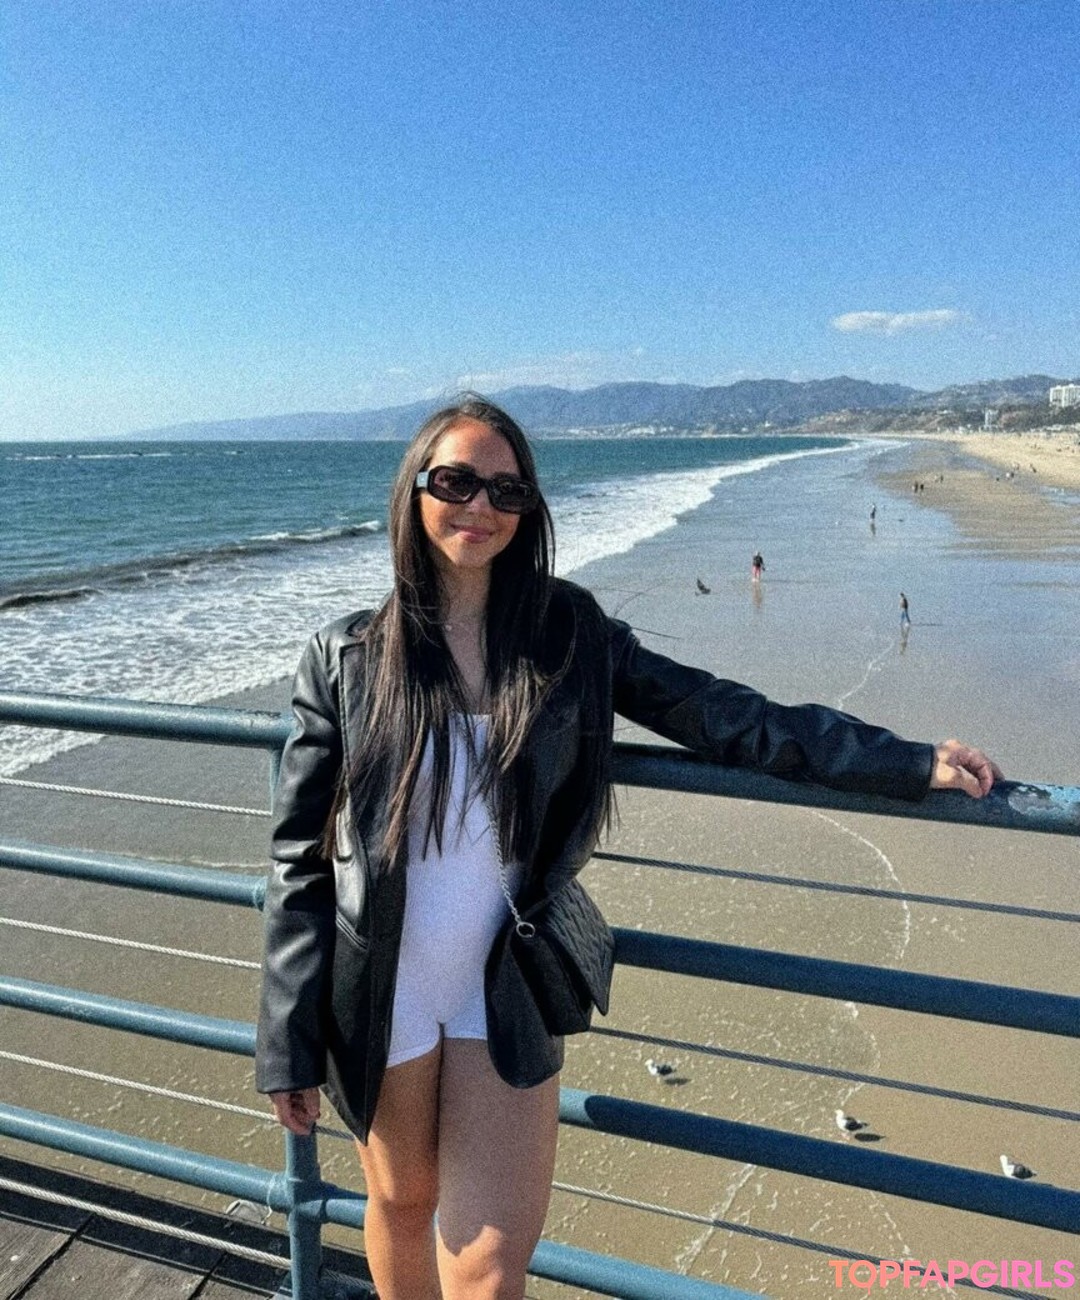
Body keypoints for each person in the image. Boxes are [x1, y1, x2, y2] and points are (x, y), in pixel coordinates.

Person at [256, 396, 1000, 1300]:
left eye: (506, 490)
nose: (480, 506)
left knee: (488, 1265)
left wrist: (904, 763)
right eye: (455, 482)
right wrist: (287, 1041)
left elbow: (724, 715)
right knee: (403, 1202)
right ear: (414, 492)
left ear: (529, 508)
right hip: (381, 986)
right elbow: (298, 858)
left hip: (506, 983)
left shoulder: (569, 636)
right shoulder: (346, 658)